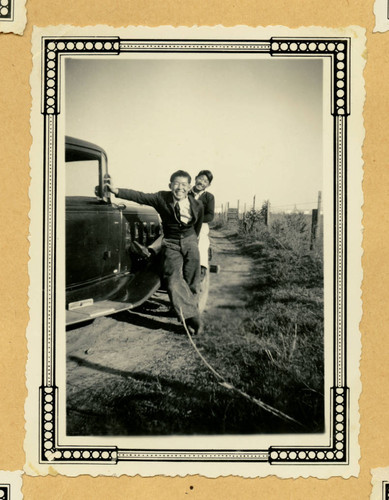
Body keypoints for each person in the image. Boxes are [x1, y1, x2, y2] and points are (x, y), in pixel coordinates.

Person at [106, 170, 204, 334]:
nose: (180, 188)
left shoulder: (197, 205)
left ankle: (189, 310)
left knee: (192, 279)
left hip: (190, 240)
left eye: (184, 185)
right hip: (171, 243)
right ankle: (193, 318)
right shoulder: (161, 198)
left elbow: (198, 225)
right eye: (176, 184)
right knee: (173, 280)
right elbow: (140, 196)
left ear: (189, 187)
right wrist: (116, 191)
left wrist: (192, 241)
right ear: (170, 185)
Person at [189, 170, 215, 279]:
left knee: (202, 242)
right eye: (200, 179)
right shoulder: (186, 193)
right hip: (183, 223)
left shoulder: (209, 197)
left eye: (205, 181)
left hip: (201, 224)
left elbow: (210, 215)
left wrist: (196, 220)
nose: (202, 182)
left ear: (208, 185)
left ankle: (201, 267)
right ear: (195, 178)